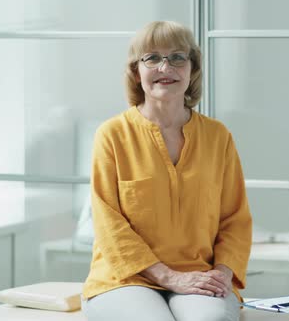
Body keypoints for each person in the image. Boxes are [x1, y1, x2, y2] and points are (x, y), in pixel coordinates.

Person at [81, 21, 253, 321]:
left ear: (192, 68)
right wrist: (168, 277)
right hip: (125, 279)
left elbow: (235, 219)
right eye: (152, 58)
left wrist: (223, 274)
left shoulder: (217, 136)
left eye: (177, 57)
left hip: (199, 274)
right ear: (137, 71)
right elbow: (109, 225)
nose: (166, 67)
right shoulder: (112, 134)